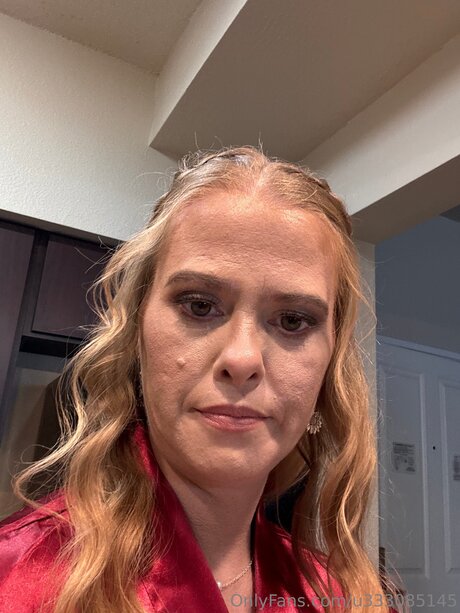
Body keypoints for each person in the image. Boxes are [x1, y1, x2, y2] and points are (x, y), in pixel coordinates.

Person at [0, 147, 400, 612]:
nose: (242, 359)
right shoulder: (15, 579)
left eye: (293, 320)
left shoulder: (338, 596)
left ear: (329, 368)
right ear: (136, 334)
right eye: (199, 305)